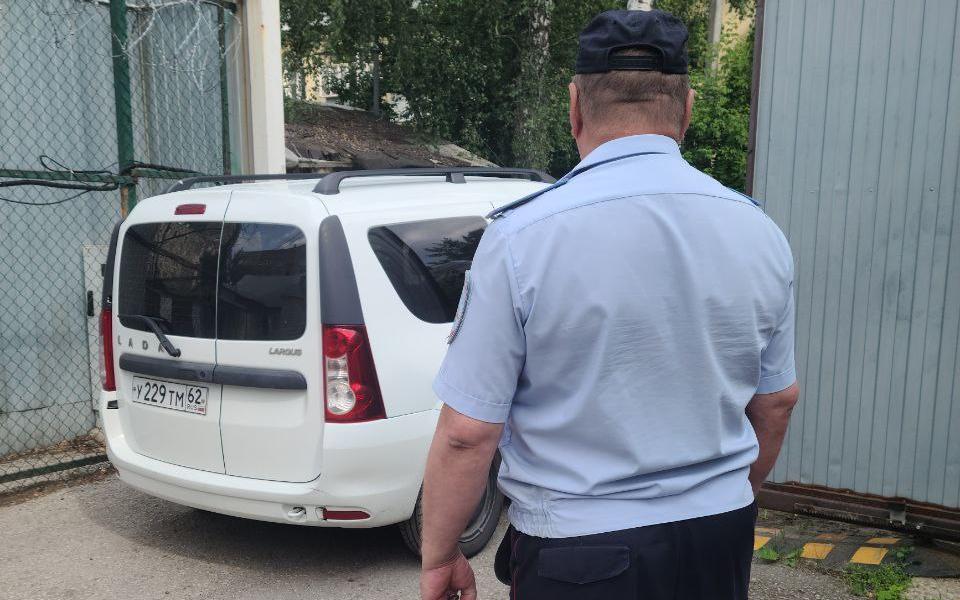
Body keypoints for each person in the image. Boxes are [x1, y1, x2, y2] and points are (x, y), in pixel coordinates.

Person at [419, 9, 799, 600]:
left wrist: (441, 555)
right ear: (687, 109)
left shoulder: (522, 238)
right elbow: (776, 402)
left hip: (581, 551)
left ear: (575, 107)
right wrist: (725, 499)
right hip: (718, 538)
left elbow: (468, 432)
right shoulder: (759, 232)